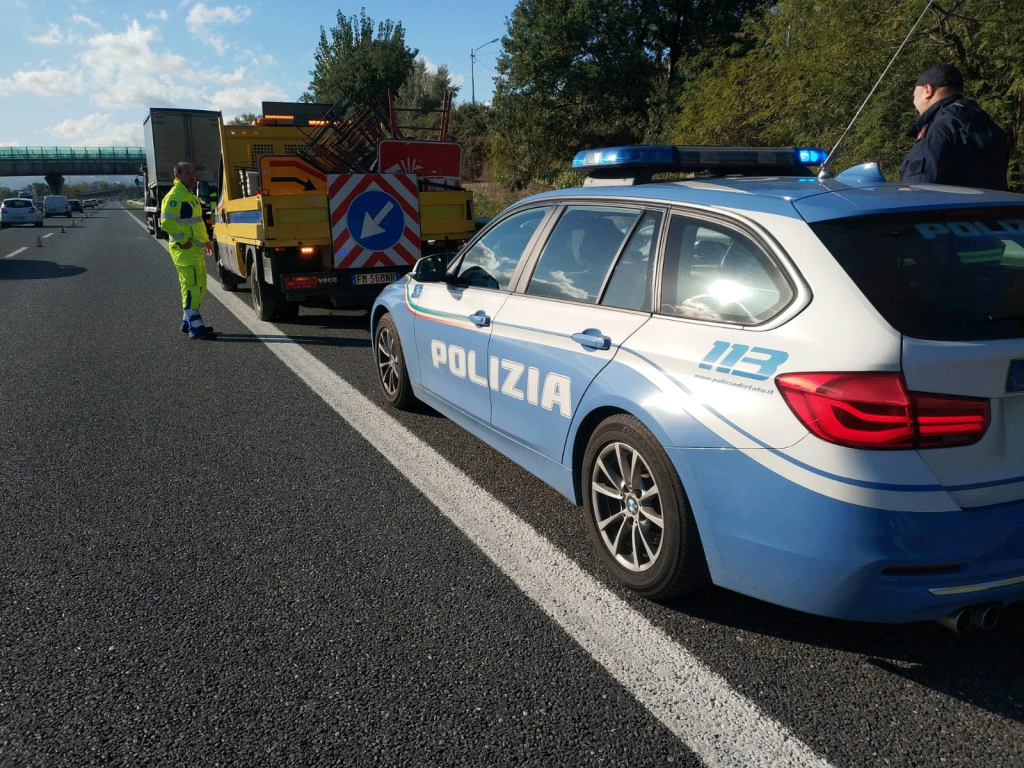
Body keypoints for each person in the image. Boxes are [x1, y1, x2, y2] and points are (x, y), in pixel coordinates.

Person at [899, 63, 1009, 190]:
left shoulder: (938, 130)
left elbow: (917, 191)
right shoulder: (988, 126)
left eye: (914, 90)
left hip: (948, 208)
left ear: (928, 90)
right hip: (994, 208)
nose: (913, 95)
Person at [161, 162, 217, 339]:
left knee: (198, 285)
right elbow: (167, 223)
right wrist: (184, 241)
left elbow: (197, 222)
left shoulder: (189, 195)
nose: (192, 176)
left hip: (194, 249)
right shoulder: (175, 196)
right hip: (184, 250)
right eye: (187, 173)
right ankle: (196, 328)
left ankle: (188, 322)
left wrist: (206, 241)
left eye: (193, 173)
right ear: (177, 175)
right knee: (192, 286)